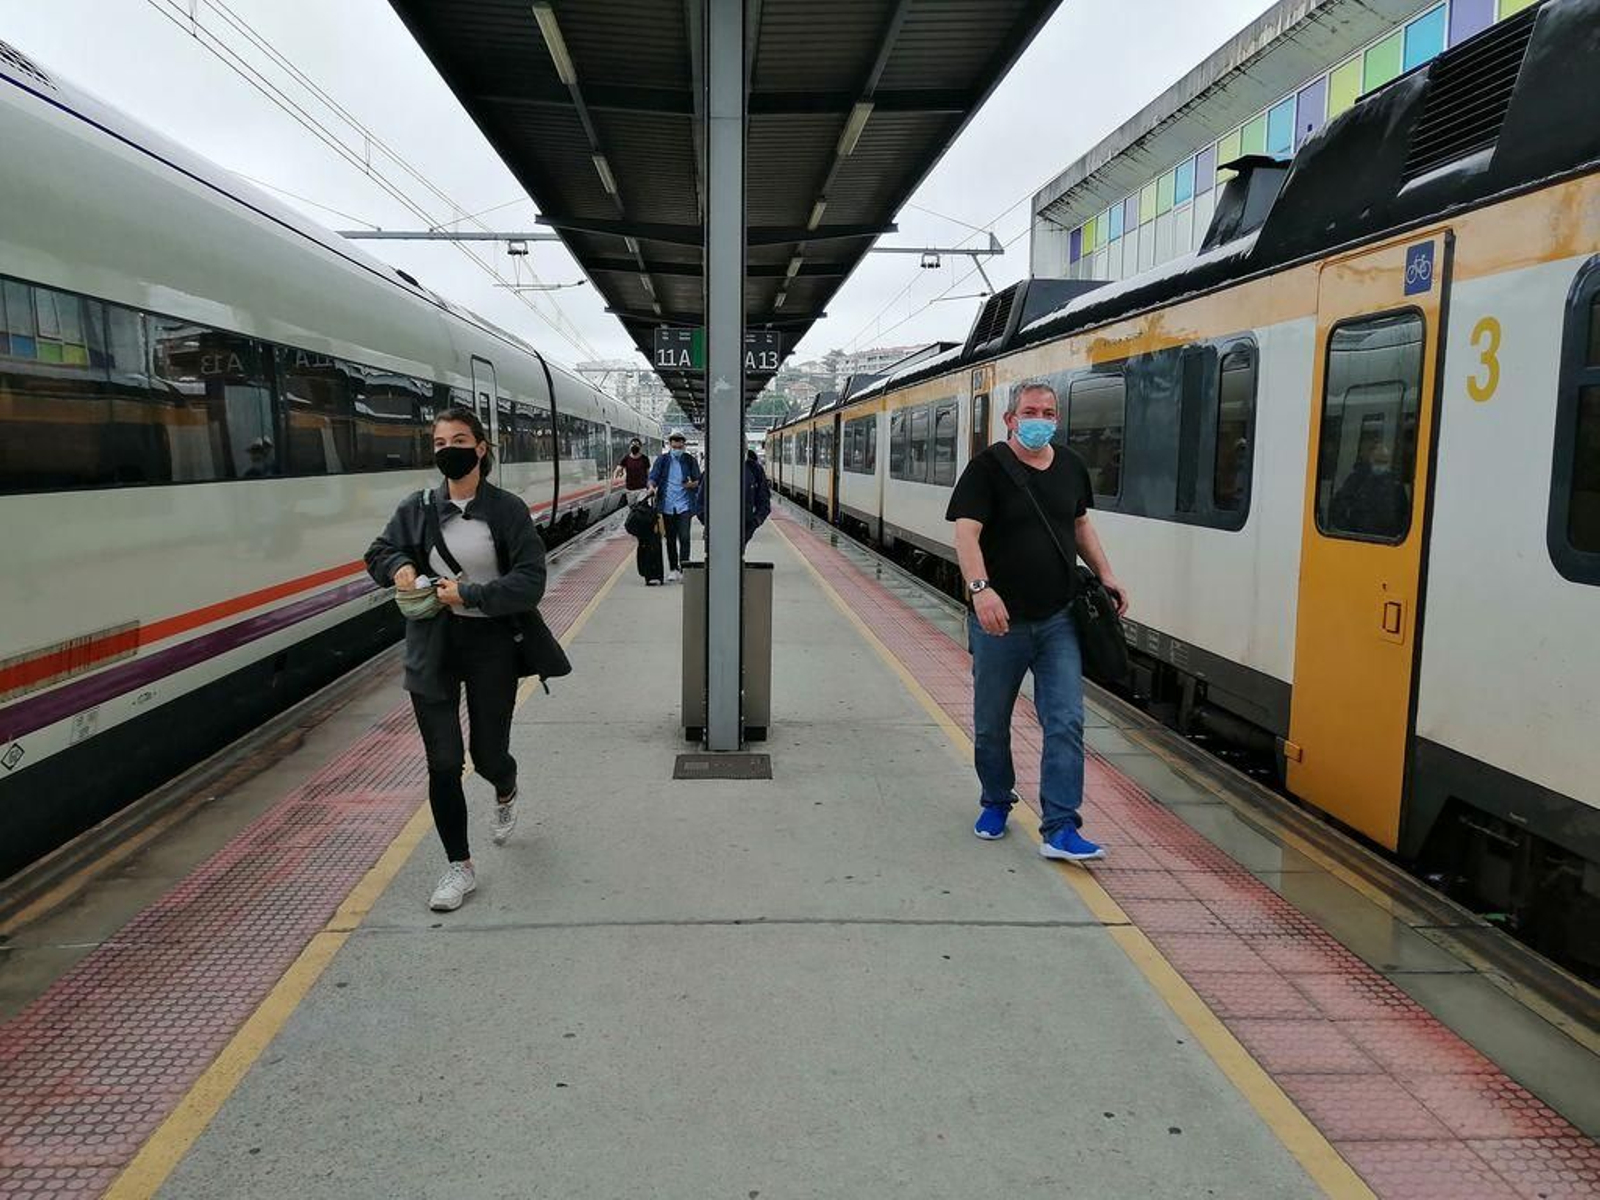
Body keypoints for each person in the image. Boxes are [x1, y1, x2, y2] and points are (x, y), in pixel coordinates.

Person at [365, 406, 547, 912]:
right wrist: (399, 565)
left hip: (491, 645)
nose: (449, 450)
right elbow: (378, 552)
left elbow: (531, 581)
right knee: (444, 762)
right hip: (433, 645)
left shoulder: (507, 510)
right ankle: (459, 867)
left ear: (482, 448)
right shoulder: (418, 507)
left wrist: (469, 594)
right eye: (440, 442)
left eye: (459, 440)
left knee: (487, 755)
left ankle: (505, 786)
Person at [945, 380, 1128, 863]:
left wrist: (1107, 575)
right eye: (1030, 411)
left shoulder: (1069, 465)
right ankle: (996, 800)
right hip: (1000, 623)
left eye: (1048, 412)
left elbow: (1080, 523)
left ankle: (1062, 826)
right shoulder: (986, 469)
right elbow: (967, 535)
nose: (1039, 419)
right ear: (1010, 419)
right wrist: (981, 592)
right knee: (991, 724)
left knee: (1066, 720)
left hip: (1059, 618)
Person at [648, 431, 701, 580]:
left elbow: (699, 480)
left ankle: (684, 568)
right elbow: (653, 477)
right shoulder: (662, 460)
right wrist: (651, 486)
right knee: (670, 539)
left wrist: (691, 484)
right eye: (675, 446)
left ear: (684, 445)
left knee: (684, 537)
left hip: (684, 506)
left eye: (680, 446)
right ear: (669, 445)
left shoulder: (690, 460)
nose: (677, 448)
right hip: (667, 506)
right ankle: (673, 569)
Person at [697, 448, 772, 546]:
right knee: (716, 556)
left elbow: (764, 501)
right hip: (716, 527)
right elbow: (701, 501)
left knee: (737, 555)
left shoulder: (754, 469)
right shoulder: (713, 469)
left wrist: (755, 522)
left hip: (745, 526)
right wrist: (708, 523)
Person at [614, 438, 651, 504]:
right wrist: (617, 472)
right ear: (629, 447)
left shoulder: (644, 459)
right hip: (630, 490)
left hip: (642, 489)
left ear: (640, 447)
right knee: (632, 508)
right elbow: (619, 467)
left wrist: (650, 485)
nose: (634, 447)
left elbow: (648, 473)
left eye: (636, 445)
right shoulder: (626, 458)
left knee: (641, 507)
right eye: (632, 445)